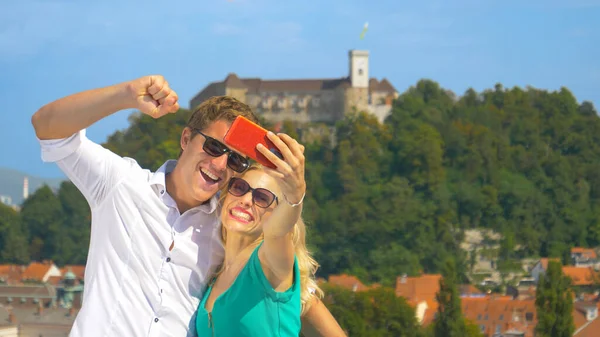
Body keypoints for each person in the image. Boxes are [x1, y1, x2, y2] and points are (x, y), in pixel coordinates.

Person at [31, 75, 345, 337]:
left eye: (235, 159)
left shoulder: (232, 227)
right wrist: (124, 95)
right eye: (214, 146)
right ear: (186, 139)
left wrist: (295, 193)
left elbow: (300, 296)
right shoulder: (121, 185)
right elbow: (47, 128)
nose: (220, 164)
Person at [196, 128, 318, 336]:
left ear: (278, 213)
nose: (245, 200)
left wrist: (295, 195)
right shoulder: (214, 273)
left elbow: (277, 233)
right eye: (240, 187)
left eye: (262, 198)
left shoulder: (269, 262)